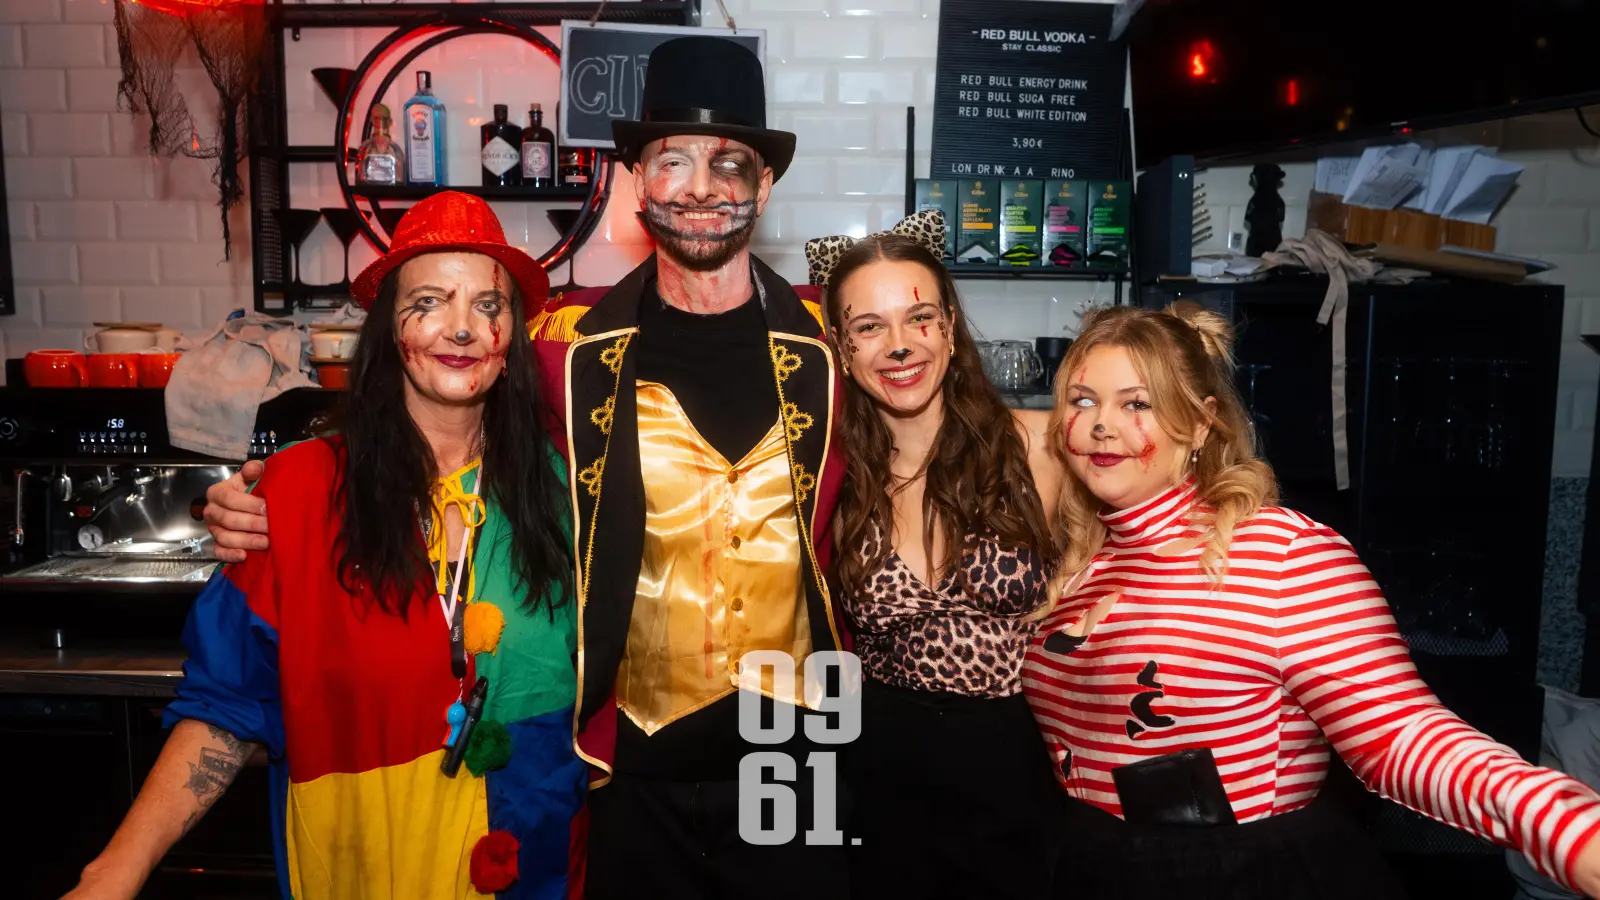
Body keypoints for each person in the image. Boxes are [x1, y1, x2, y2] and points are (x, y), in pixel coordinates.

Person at [203, 38, 851, 899]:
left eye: (731, 163)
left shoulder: (837, 348)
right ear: (636, 181)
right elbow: (437, 412)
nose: (701, 187)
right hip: (628, 764)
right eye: (673, 161)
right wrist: (271, 500)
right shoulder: (564, 352)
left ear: (763, 186)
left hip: (797, 749)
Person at [68, 192, 583, 900]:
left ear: (513, 340)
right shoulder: (303, 490)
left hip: (536, 873)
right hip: (364, 869)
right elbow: (226, 706)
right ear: (387, 329)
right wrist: (114, 872)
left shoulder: (566, 492)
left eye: (489, 307)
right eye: (430, 301)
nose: (463, 329)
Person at [1022, 302, 1600, 899]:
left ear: (1199, 425)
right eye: (1082, 400)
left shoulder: (1282, 554)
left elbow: (1400, 733)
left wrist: (1559, 822)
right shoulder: (1083, 561)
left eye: (1136, 403)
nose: (1100, 425)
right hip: (1089, 867)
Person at [805, 217, 1065, 898]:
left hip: (1025, 773)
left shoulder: (1040, 448)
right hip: (884, 781)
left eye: (918, 317)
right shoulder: (835, 477)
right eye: (869, 327)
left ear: (950, 325)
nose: (898, 347)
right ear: (841, 345)